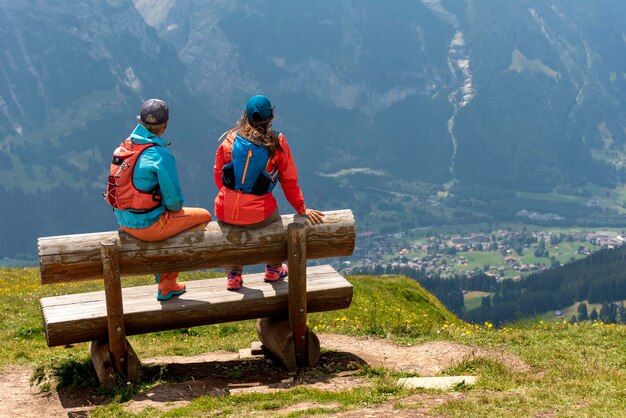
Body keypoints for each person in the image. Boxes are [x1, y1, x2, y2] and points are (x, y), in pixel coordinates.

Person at [104, 99, 212, 300]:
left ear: (140, 121)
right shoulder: (159, 154)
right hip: (149, 226)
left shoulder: (124, 147)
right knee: (204, 216)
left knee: (170, 220)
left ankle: (163, 272)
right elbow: (174, 204)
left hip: (123, 221)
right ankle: (167, 281)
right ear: (165, 125)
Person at [213, 95, 324, 291]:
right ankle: (273, 268)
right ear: (270, 117)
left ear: (245, 116)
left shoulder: (229, 139)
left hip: (225, 209)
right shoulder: (276, 143)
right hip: (259, 213)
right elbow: (289, 181)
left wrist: (229, 198)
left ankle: (233, 274)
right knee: (276, 219)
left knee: (231, 226)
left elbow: (218, 174)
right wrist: (302, 208)